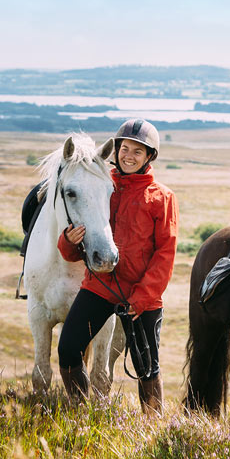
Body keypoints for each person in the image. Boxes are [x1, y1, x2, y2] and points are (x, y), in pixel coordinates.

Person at [57, 119, 178, 416]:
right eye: (125, 148)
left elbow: (165, 254)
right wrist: (68, 242)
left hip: (141, 296)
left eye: (138, 151)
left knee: (146, 366)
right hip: (101, 286)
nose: (129, 155)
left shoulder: (162, 197)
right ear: (116, 150)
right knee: (68, 348)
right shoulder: (101, 184)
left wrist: (142, 298)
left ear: (149, 157)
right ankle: (81, 413)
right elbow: (78, 245)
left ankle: (153, 428)